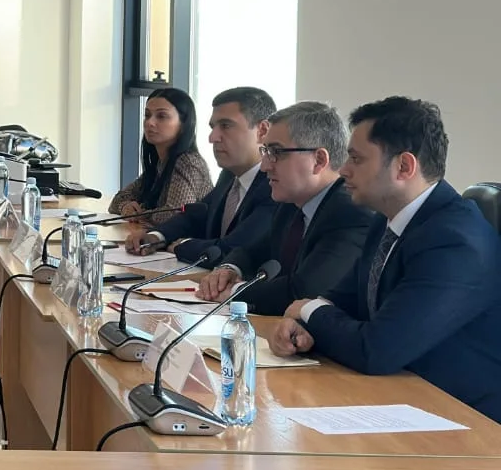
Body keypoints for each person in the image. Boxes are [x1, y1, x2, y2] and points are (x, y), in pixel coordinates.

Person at [271, 97, 501, 422]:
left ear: (404, 166)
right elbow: (341, 301)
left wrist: (306, 309)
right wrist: (301, 322)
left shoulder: (454, 240)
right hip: (403, 397)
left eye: (356, 159)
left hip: (467, 420)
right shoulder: (387, 219)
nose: (344, 169)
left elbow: (376, 350)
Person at [195, 102, 375, 315]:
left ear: (318, 160)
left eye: (276, 152)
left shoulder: (350, 213)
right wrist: (229, 269)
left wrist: (234, 292)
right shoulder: (291, 205)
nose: (265, 166)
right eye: (265, 151)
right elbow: (251, 251)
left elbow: (303, 293)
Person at [128, 87, 278, 261]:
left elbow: (234, 248)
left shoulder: (275, 185)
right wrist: (156, 236)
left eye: (226, 126)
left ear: (262, 131)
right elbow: (196, 216)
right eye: (213, 127)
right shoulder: (229, 175)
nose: (212, 137)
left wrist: (183, 246)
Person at [109, 87, 213, 227]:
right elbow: (117, 200)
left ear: (183, 124)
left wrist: (138, 214)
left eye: (161, 116)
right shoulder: (161, 163)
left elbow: (175, 215)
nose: (150, 122)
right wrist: (125, 207)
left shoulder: (188, 162)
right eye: (147, 115)